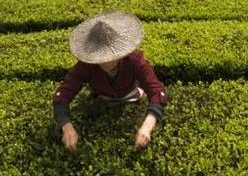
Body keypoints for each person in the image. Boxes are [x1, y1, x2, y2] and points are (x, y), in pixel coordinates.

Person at [52, 11, 168, 152]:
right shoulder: (85, 65)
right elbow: (62, 95)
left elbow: (157, 91)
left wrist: (147, 127)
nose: (105, 60)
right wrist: (66, 126)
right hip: (101, 97)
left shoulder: (135, 60)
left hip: (131, 93)